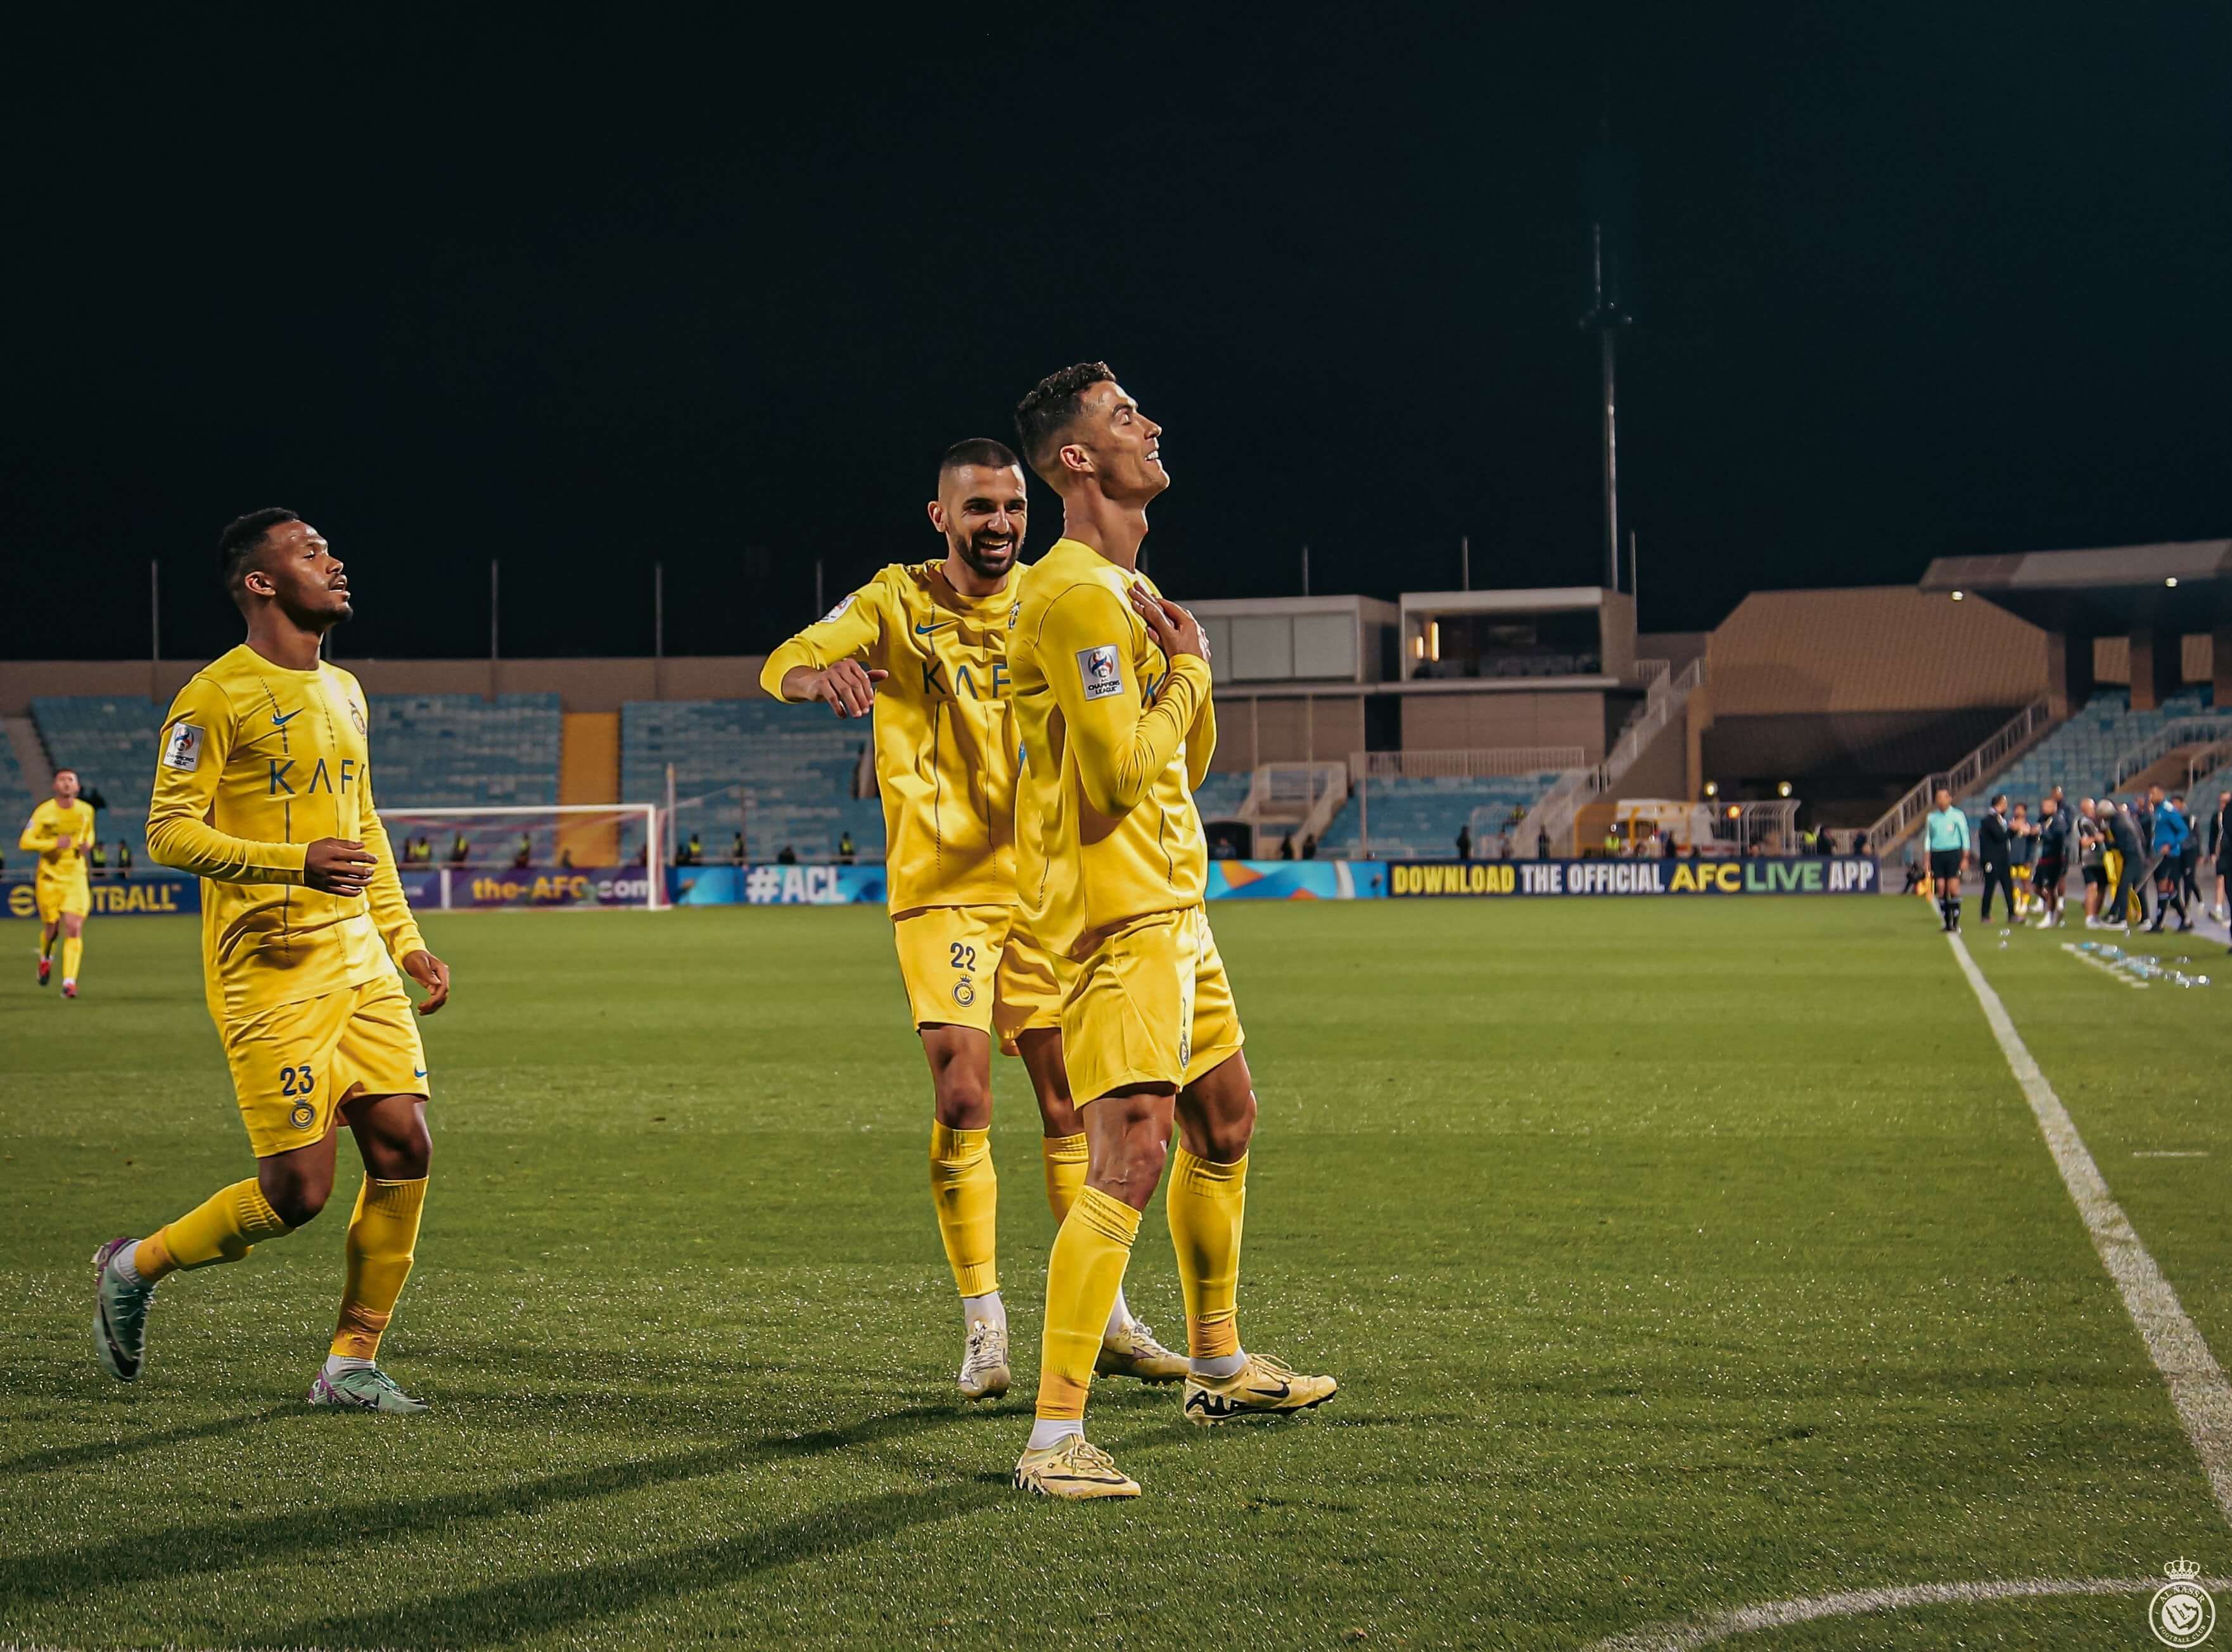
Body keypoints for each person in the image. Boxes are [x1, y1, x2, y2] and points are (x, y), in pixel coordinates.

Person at [762, 435, 1183, 1406]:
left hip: (1043, 889)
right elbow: (787, 656)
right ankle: (985, 1331)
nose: (998, 525)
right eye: (978, 509)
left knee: (1068, 1104)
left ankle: (1109, 1323)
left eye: (1011, 509)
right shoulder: (893, 601)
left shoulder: (1052, 598)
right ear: (939, 517)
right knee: (961, 1095)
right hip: (941, 888)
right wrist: (812, 678)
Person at [1005, 363, 1334, 1499]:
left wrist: (1188, 673)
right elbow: (1111, 772)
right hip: (1115, 918)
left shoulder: (1123, 594)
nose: (1150, 425)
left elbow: (1178, 768)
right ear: (1075, 460)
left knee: (1225, 1118)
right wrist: (1188, 676)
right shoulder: (1074, 597)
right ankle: (1051, 1439)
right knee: (1133, 1151)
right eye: (1121, 416)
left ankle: (1218, 1362)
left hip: (1174, 905)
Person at [93, 508, 450, 1413]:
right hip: (268, 970)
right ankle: (134, 1266)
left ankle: (349, 1364)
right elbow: (167, 831)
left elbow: (360, 825)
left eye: (331, 548)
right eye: (310, 553)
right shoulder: (215, 696)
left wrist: (404, 939)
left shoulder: (347, 690)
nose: (335, 563)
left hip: (358, 959)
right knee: (296, 1194)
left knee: (405, 1143)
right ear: (260, 582)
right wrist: (294, 864)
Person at [18, 767, 97, 996]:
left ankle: (69, 982)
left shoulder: (86, 810)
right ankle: (46, 957)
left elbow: (89, 833)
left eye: (70, 780)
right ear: (55, 786)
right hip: (49, 878)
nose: (66, 783)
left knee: (74, 927)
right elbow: (25, 842)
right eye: (62, 780)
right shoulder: (44, 812)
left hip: (75, 876)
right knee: (52, 930)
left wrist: (88, 845)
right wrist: (53, 843)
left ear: (77, 787)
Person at [1922, 787, 1969, 932]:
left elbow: (1965, 836)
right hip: (1937, 854)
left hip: (1953, 853)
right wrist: (1927, 860)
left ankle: (1955, 923)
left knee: (1953, 888)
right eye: (1938, 798)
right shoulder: (1932, 817)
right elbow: (1928, 838)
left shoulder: (1957, 815)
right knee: (1941, 889)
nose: (1941, 801)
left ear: (1949, 799)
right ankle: (1947, 923)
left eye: (1944, 797)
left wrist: (1965, 858)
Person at [2100, 800, 2149, 930]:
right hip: (2138, 855)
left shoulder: (2117, 824)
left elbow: (2121, 844)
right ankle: (2146, 919)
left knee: (2123, 887)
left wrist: (2107, 843)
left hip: (2132, 857)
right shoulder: (2126, 818)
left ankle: (2121, 919)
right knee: (2139, 889)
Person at [2148, 791, 2191, 932]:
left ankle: (2159, 924)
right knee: (2167, 889)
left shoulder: (2168, 810)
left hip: (2170, 855)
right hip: (2159, 855)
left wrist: (2170, 844)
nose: (2150, 796)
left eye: (2153, 793)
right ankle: (2185, 919)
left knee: (2163, 886)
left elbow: (2183, 830)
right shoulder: (2157, 811)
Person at [2031, 794, 2069, 929]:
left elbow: (2058, 837)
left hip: (2054, 859)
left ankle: (2050, 915)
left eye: (2048, 806)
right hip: (2043, 858)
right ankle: (2053, 909)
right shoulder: (2042, 820)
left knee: (2049, 888)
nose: (2044, 808)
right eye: (2043, 806)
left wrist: (2042, 832)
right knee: (2036, 887)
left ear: (2055, 807)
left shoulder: (2059, 821)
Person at [1975, 794, 2014, 924]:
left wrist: (2011, 831)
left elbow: (2003, 838)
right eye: (2005, 803)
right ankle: (1985, 915)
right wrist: (2013, 830)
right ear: (2000, 804)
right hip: (1992, 860)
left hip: (2003, 859)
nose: (2007, 806)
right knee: (1990, 887)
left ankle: (2012, 914)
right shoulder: (1989, 820)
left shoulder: (1999, 820)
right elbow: (2000, 837)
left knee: (2008, 887)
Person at [2005, 801, 2035, 917]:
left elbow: (2032, 845)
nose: (2018, 811)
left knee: (2025, 882)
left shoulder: (2028, 827)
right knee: (2011, 882)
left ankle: (2025, 904)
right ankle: (2017, 900)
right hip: (2012, 859)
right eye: (2016, 809)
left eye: (2020, 809)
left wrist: (2030, 859)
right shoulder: (2010, 826)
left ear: (2025, 812)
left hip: (2024, 859)